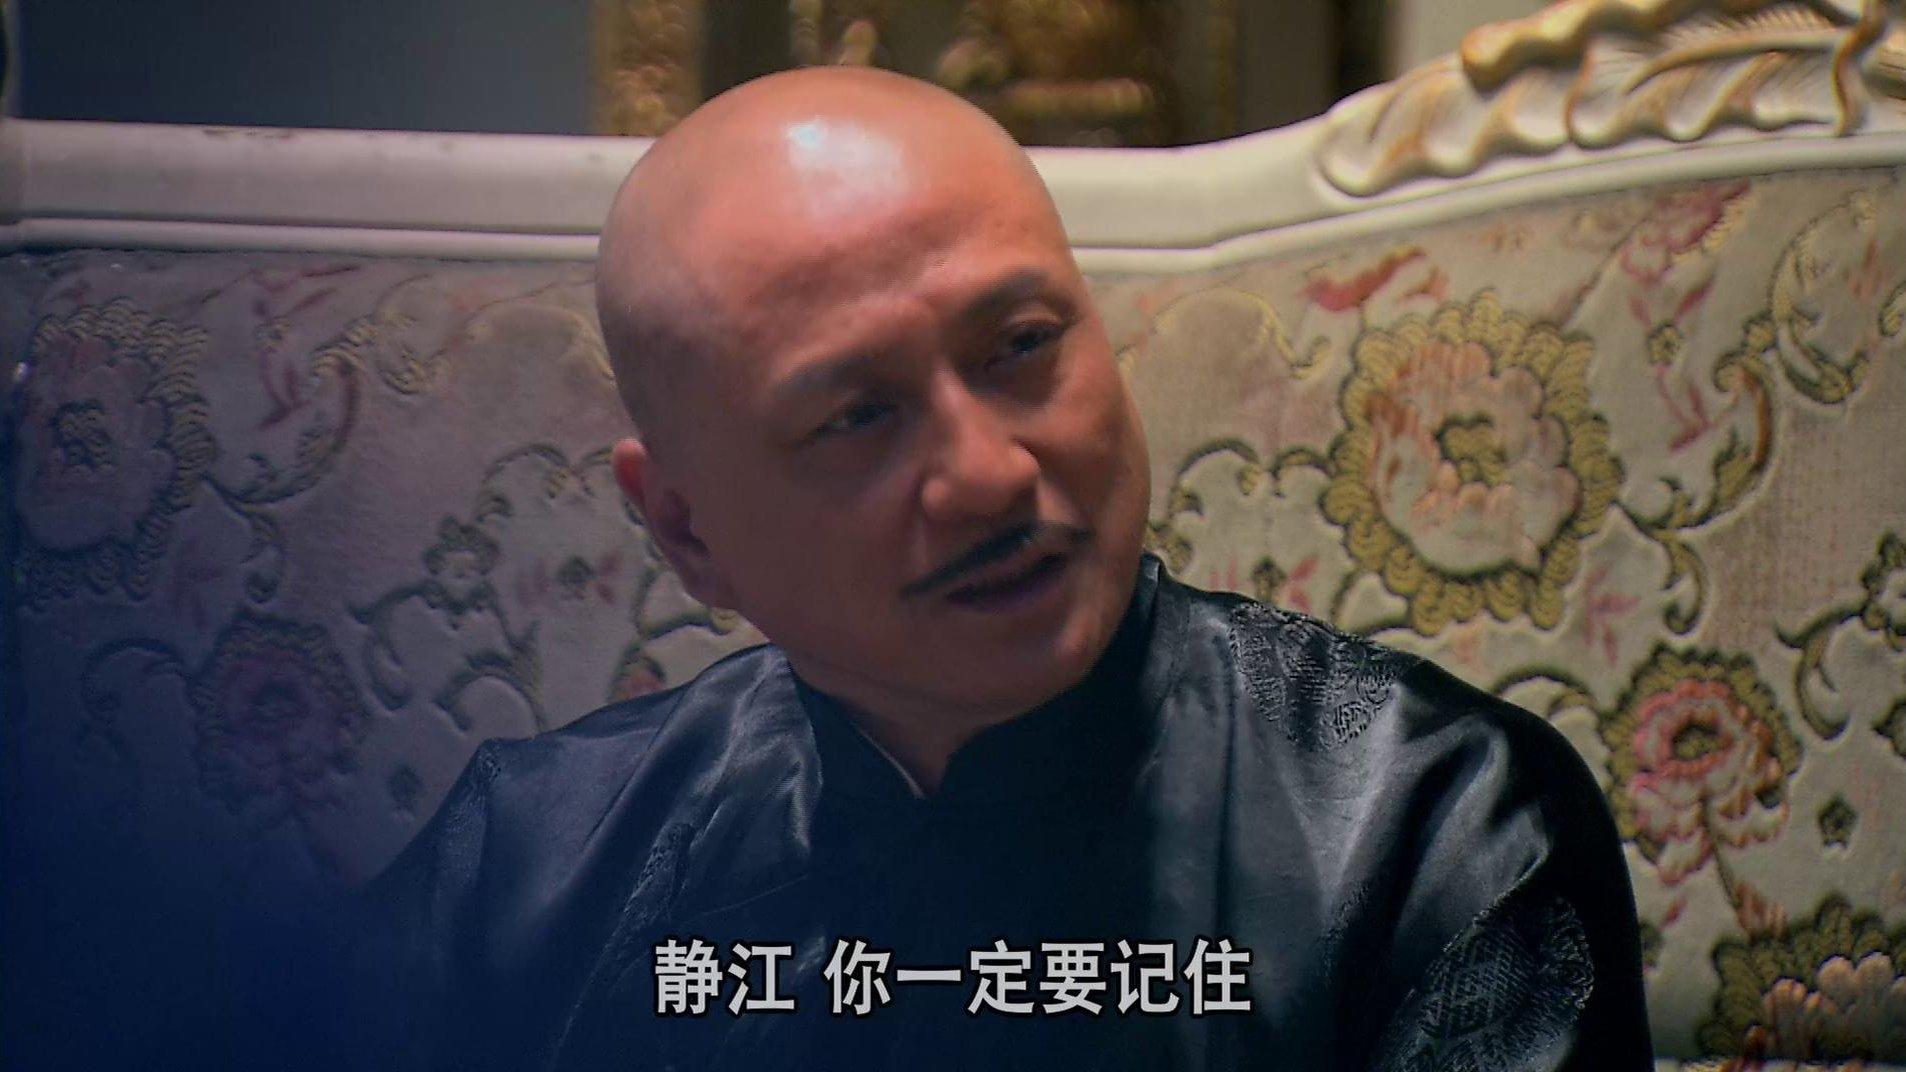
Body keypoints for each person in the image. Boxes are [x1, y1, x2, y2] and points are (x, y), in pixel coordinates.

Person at [350, 66, 1653, 1071]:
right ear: (688, 532)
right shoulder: (525, 869)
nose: (985, 474)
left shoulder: (1428, 826)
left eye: (1021, 345)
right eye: (857, 415)